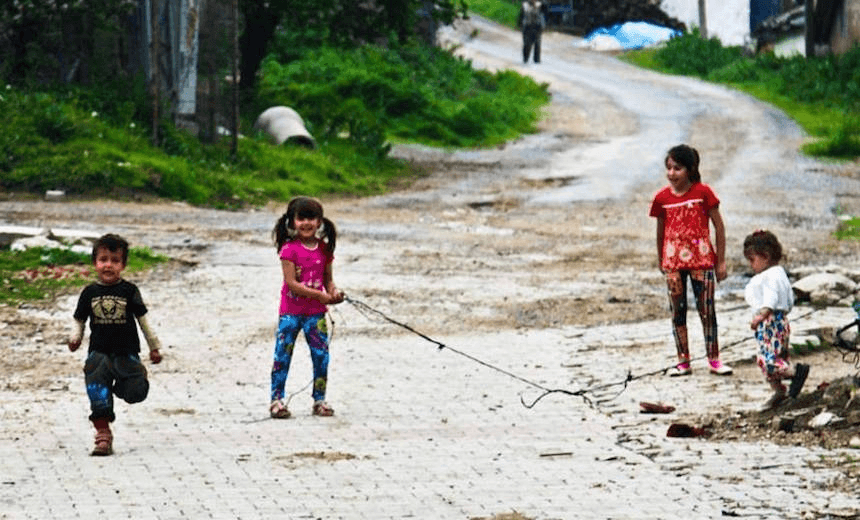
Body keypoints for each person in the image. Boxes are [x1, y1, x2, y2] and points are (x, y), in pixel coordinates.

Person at [68, 234, 162, 456]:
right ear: (95, 263)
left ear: (123, 265)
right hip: (98, 354)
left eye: (115, 260)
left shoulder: (129, 291)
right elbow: (79, 319)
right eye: (103, 259)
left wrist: (154, 346)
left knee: (137, 392)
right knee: (96, 392)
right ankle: (103, 435)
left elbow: (143, 321)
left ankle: (119, 387)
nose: (108, 265)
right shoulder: (89, 293)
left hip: (126, 353)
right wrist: (75, 338)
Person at [649, 144, 732, 376]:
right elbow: (660, 231)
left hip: (702, 262)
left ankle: (714, 359)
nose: (672, 174)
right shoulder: (661, 199)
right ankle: (683, 361)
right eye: (669, 168)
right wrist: (661, 259)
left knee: (707, 309)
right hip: (673, 263)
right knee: (678, 311)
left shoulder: (703, 193)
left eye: (677, 168)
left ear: (690, 169)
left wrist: (721, 261)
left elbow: (719, 227)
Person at [269, 196, 344, 419]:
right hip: (290, 313)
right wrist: (321, 296)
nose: (307, 223)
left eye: (312, 218)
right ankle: (276, 400)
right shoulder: (289, 250)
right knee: (282, 356)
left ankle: (319, 400)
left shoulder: (324, 249)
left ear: (320, 222)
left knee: (321, 356)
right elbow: (292, 284)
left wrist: (334, 292)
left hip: (316, 315)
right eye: (301, 218)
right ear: (292, 222)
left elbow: (328, 279)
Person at [743, 230, 809, 410]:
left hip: (771, 323)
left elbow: (771, 299)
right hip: (780, 321)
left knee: (769, 360)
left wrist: (761, 316)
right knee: (775, 357)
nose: (751, 265)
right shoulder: (780, 273)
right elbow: (789, 300)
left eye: (752, 260)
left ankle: (796, 372)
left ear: (765, 256)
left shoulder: (771, 275)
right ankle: (779, 391)